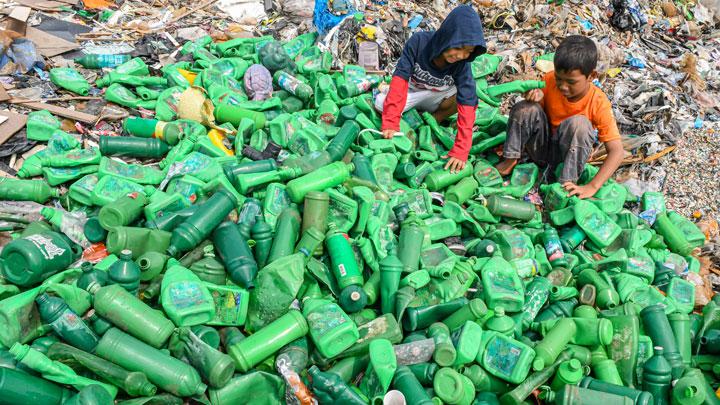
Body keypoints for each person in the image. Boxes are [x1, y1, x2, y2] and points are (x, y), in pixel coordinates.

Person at [495, 35, 624, 199]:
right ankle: (510, 161)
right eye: (559, 79)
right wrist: (532, 97)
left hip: (566, 157)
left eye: (571, 82)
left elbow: (617, 151)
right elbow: (533, 117)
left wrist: (592, 186)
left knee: (580, 125)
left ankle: (565, 185)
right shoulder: (549, 80)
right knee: (525, 108)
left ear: (591, 76)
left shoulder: (598, 102)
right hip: (539, 148)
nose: (563, 86)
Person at [375, 4, 486, 173]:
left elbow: (468, 100)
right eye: (457, 47)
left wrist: (461, 149)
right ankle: (410, 115)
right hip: (413, 91)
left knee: (466, 96)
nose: (460, 56)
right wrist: (390, 122)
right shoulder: (419, 43)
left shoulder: (462, 63)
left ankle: (434, 119)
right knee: (381, 104)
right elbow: (400, 78)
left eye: (468, 51)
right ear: (447, 37)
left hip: (439, 95)